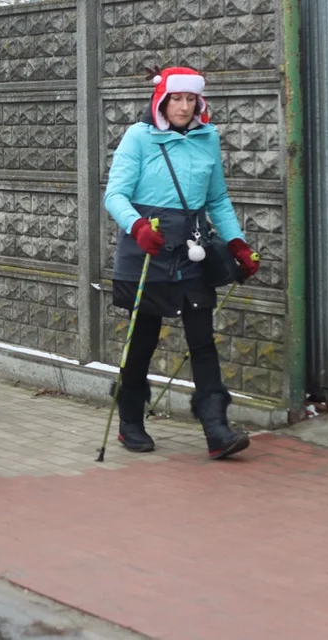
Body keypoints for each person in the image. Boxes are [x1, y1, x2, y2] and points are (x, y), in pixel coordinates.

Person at [103, 67, 260, 460]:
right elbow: (115, 195)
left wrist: (238, 243)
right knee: (142, 341)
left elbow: (217, 200)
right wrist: (137, 226)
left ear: (199, 102)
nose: (184, 106)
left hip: (193, 248)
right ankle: (130, 421)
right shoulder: (139, 137)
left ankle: (216, 428)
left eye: (191, 99)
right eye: (177, 99)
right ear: (162, 101)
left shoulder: (208, 138)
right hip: (149, 248)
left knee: (203, 342)